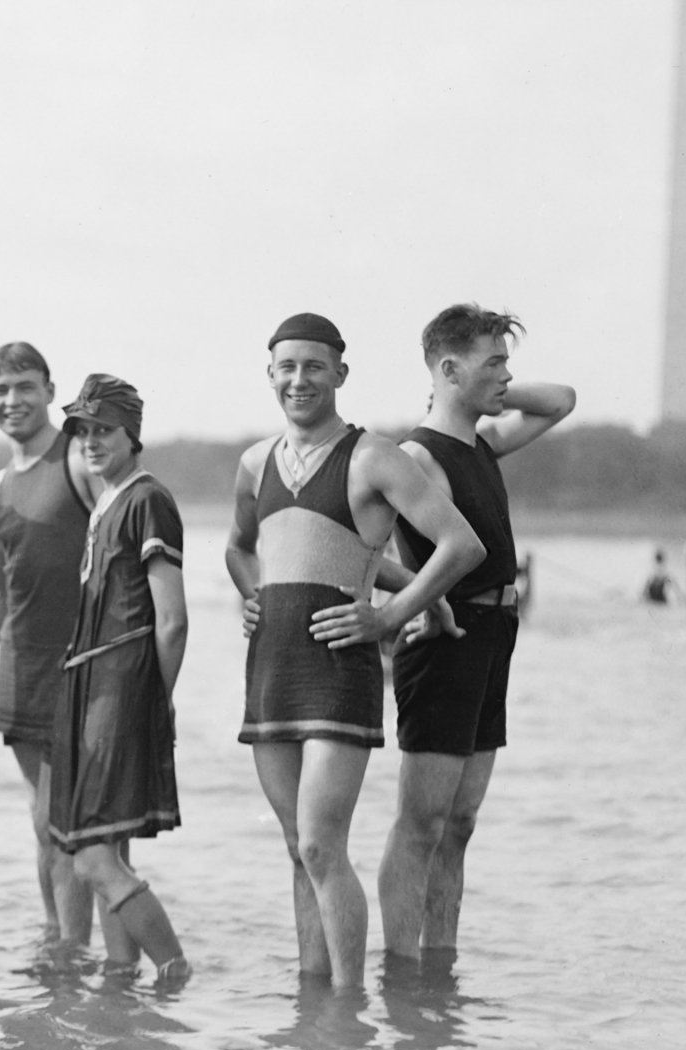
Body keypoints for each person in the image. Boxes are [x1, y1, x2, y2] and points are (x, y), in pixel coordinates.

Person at [227, 313, 485, 990]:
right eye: (286, 366)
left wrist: (391, 614)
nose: (299, 379)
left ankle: (347, 1010)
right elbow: (238, 544)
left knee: (319, 844)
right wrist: (250, 592)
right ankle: (314, 1013)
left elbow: (461, 545)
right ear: (270, 374)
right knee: (296, 849)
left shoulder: (372, 456)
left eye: (315, 366)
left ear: (340, 374)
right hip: (271, 671)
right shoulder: (255, 463)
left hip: (339, 670)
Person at [377, 304, 576, 963]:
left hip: (498, 633)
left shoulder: (482, 443)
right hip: (446, 641)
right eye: (493, 363)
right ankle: (402, 973)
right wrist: (404, 606)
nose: (507, 375)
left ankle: (441, 964)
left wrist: (487, 388)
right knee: (421, 823)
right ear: (446, 368)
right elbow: (356, 545)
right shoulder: (415, 456)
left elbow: (560, 401)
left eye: (506, 363)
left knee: (459, 825)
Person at [49, 375, 190, 984]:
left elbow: (173, 620)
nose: (91, 440)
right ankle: (119, 981)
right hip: (91, 683)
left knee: (92, 855)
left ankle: (175, 968)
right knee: (109, 845)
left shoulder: (146, 500)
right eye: (82, 430)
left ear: (132, 434)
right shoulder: (104, 501)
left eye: (104, 429)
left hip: (122, 683)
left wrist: (153, 701)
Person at [0, 342, 97, 945]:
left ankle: (76, 953)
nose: (12, 400)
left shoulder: (80, 462)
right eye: (0, 390)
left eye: (24, 386)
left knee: (71, 823)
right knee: (43, 824)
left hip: (82, 667)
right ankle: (57, 947)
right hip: (21, 668)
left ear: (49, 389)